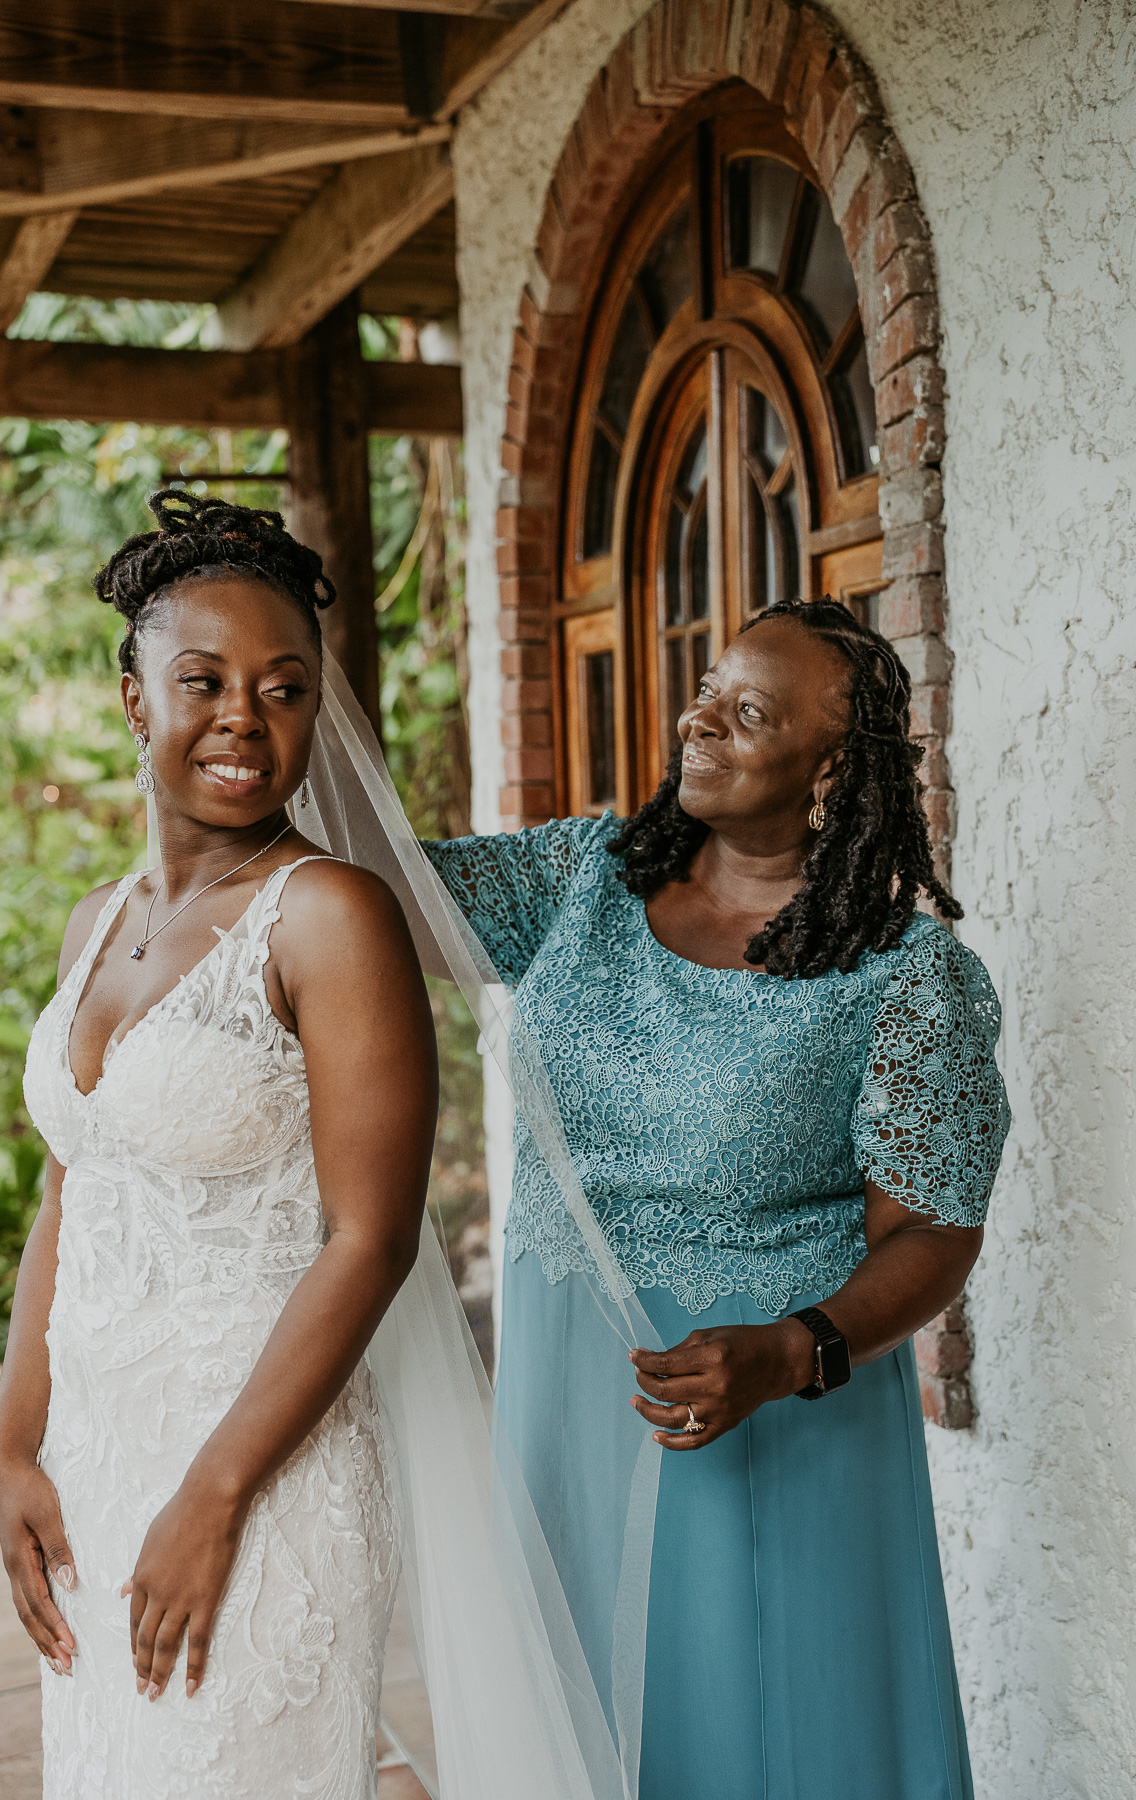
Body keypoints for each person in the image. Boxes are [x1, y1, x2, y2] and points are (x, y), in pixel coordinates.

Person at [0, 495, 629, 1800]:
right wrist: (11, 1443)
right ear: (132, 700)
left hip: (259, 1472)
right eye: (204, 680)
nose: (243, 718)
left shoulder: (329, 916)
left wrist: (214, 1494)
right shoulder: (92, 924)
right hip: (98, 1459)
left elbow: (372, 1238)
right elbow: (77, 1186)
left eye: (283, 689)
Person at [423, 598, 1011, 1800]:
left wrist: (796, 1353)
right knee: (578, 1713)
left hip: (769, 1409)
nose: (698, 719)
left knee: (768, 1731)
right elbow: (384, 890)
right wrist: (278, 706)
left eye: (747, 712)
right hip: (566, 1386)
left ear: (832, 767)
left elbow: (935, 1233)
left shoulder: (907, 977)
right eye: (708, 687)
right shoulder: (578, 879)